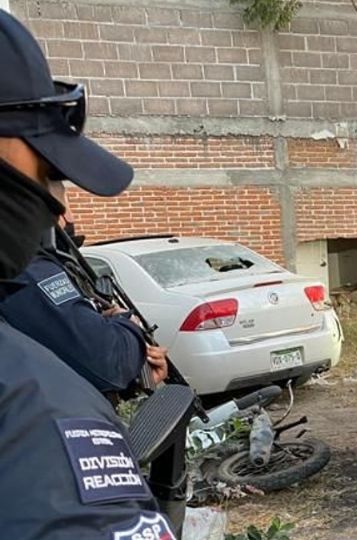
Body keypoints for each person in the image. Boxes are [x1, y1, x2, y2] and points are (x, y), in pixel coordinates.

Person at [0, 10, 176, 539]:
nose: (56, 206)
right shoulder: (36, 409)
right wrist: (126, 337)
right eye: (50, 171)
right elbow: (95, 353)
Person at [0, 180, 169, 391]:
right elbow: (108, 362)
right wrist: (128, 325)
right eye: (65, 203)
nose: (70, 217)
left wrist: (134, 377)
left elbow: (58, 357)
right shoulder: (26, 269)